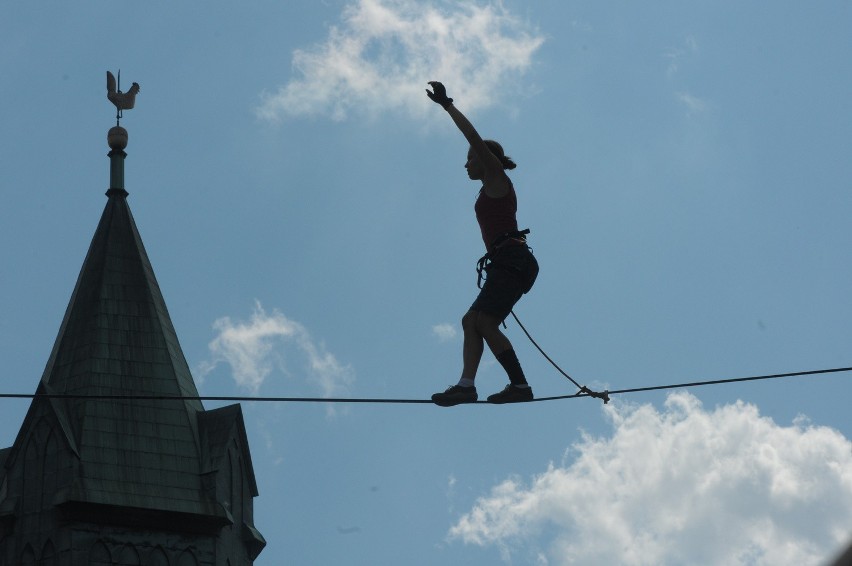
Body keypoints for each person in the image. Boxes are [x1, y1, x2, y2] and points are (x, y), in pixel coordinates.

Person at [426, 81, 539, 406]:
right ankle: (467, 385)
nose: (466, 164)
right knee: (471, 321)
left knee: (483, 321)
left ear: (484, 159)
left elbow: (472, 137)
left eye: (470, 159)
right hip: (507, 263)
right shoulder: (488, 188)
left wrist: (448, 106)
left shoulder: (496, 178)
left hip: (513, 261)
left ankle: (519, 386)